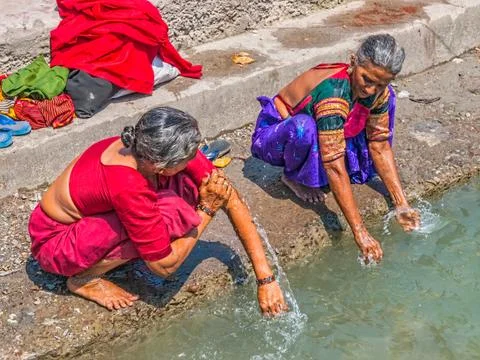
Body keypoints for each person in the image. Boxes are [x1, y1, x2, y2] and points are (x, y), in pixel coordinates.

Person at [29, 106, 287, 315]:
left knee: (189, 189)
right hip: (57, 244)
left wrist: (266, 279)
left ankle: (138, 244)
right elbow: (163, 268)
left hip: (102, 214)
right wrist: (206, 209)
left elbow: (230, 198)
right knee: (176, 210)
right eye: (187, 160)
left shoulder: (157, 147)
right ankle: (83, 279)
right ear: (161, 166)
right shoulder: (128, 185)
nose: (195, 159)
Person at [251, 34, 420, 263]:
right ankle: (291, 176)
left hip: (327, 127)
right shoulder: (333, 93)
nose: (371, 90)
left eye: (380, 84)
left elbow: (379, 146)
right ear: (353, 62)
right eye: (366, 79)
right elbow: (335, 167)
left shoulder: (380, 93)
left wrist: (402, 204)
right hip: (278, 134)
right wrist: (360, 233)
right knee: (304, 129)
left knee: (386, 101)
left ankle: (312, 166)